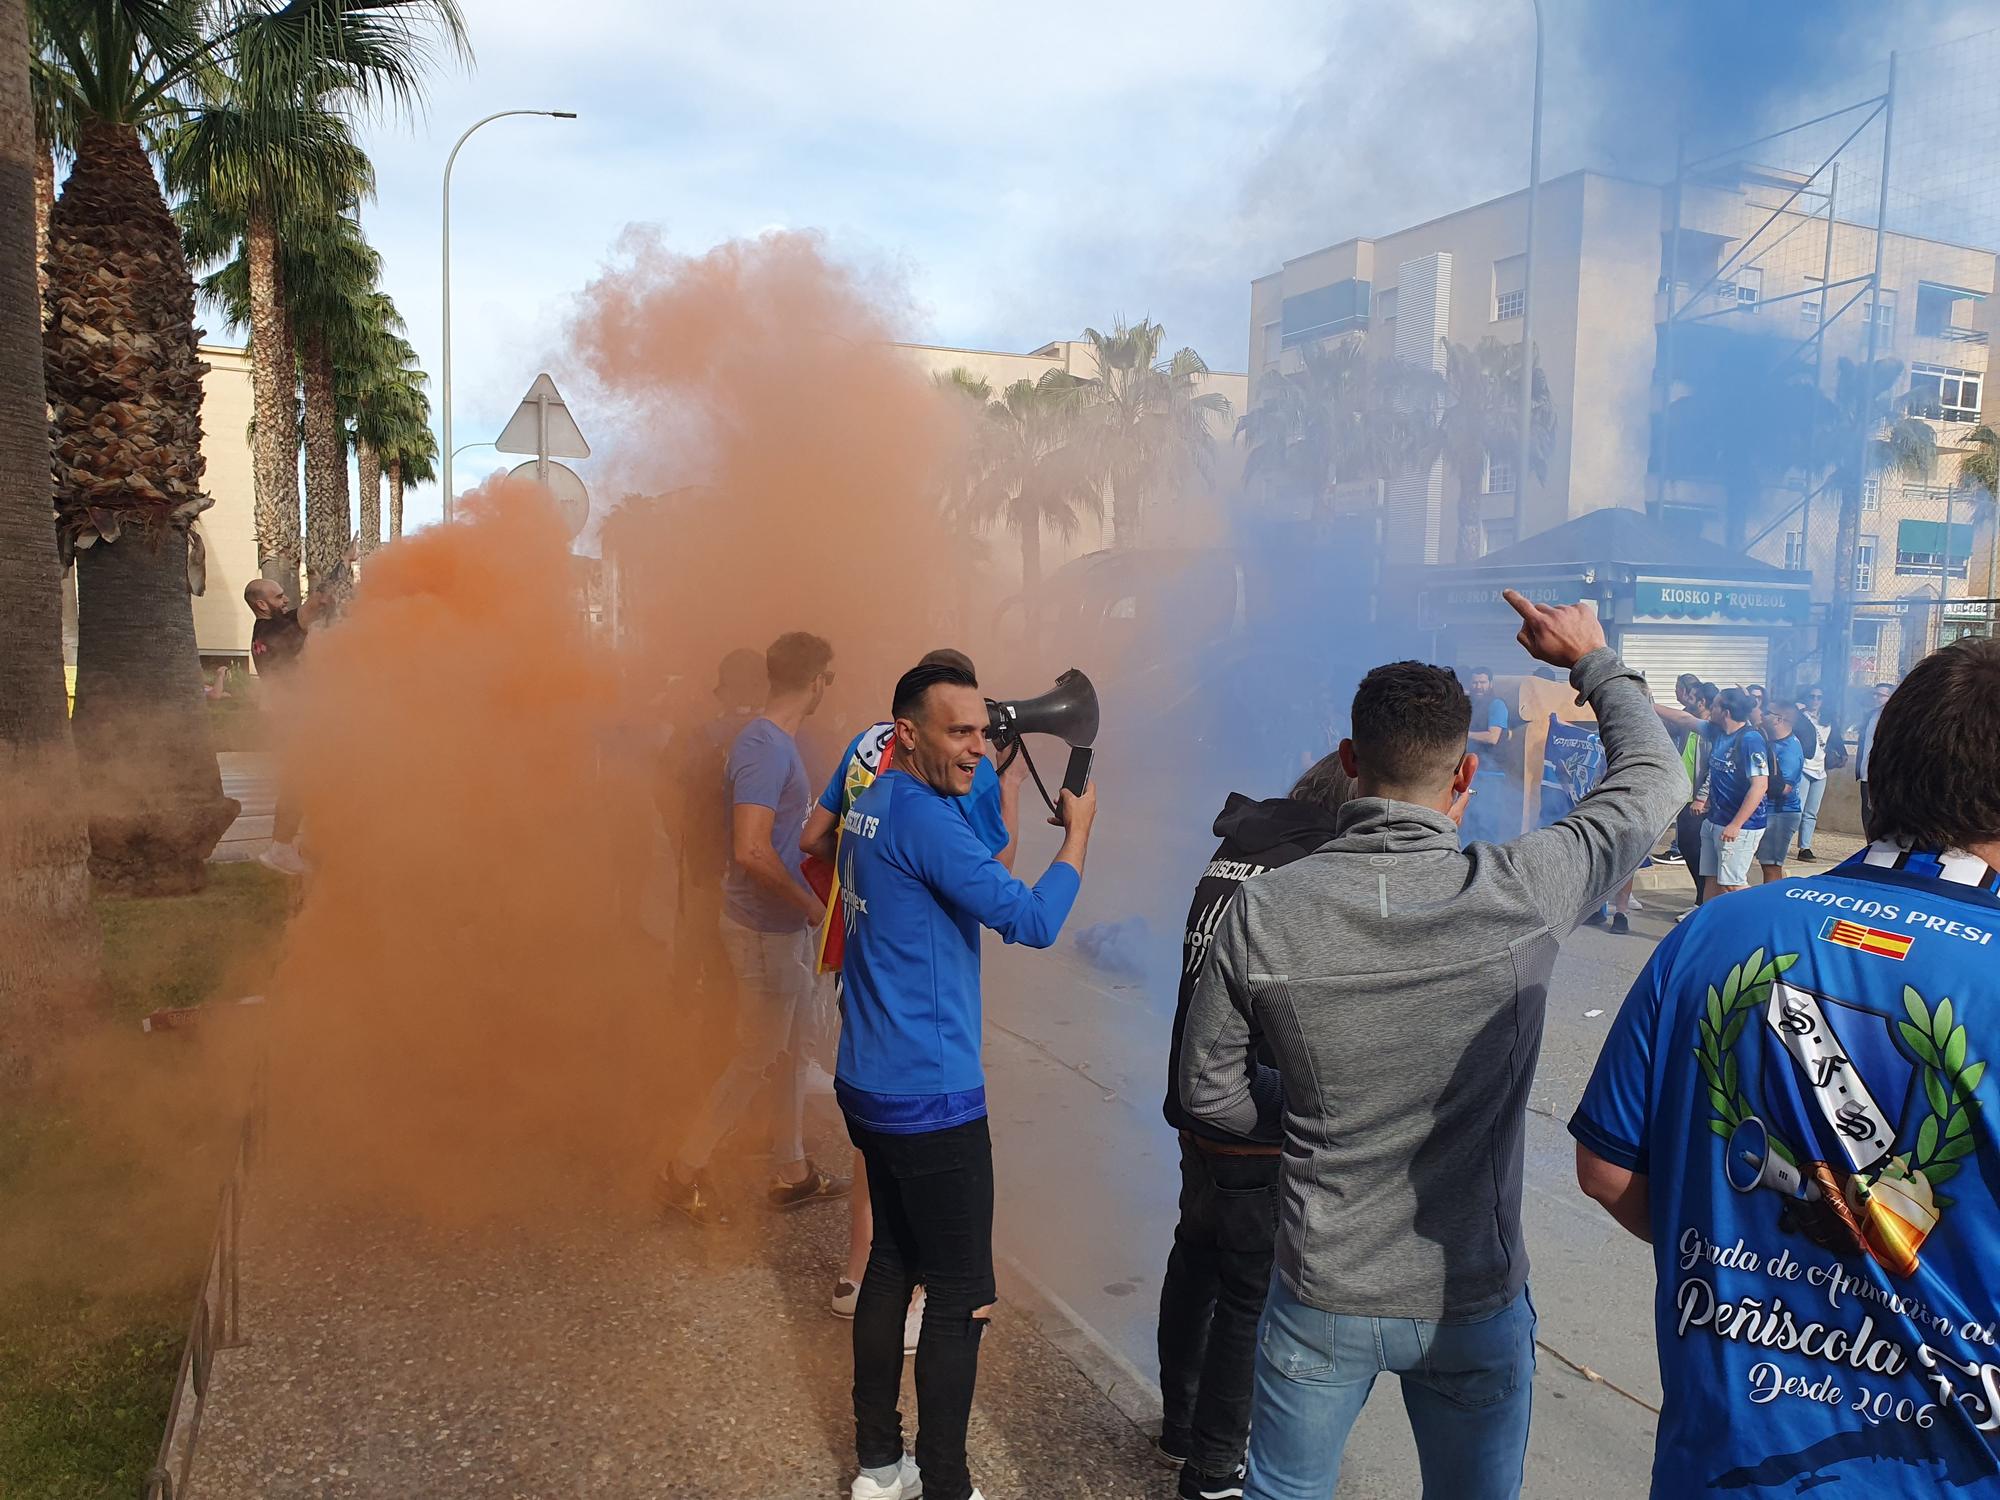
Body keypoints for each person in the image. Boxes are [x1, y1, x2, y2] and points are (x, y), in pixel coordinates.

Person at [1179, 590, 1684, 1500]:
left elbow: (1208, 1094)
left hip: (1320, 1289)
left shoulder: (1262, 911)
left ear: (1347, 762)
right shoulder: (1523, 889)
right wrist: (1592, 659)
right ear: (1462, 782)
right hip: (1471, 1297)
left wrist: (1315, 1118)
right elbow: (1655, 779)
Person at [1569, 638, 2000, 1496]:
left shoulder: (1714, 929)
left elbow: (1607, 1169)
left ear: (1878, 775)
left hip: (1719, 1468)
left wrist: (1755, 1263)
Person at [838, 659, 1097, 1500]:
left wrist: (986, 772)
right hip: (931, 1096)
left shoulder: (872, 803)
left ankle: (881, 1466)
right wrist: (1079, 835)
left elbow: (976, 847)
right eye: (960, 732)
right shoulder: (926, 823)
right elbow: (1030, 918)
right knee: (961, 1299)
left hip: (869, 1080)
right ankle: (946, 1485)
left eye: (983, 732)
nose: (979, 747)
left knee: (889, 1267)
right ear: (907, 733)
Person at [799, 648, 1025, 1342]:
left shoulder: (868, 745)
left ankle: (856, 1271)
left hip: (857, 950)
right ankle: (923, 1298)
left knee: (878, 1141)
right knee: (924, 1155)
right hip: (924, 1008)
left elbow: (810, 836)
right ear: (932, 723)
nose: (974, 744)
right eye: (966, 729)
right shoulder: (970, 773)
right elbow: (995, 881)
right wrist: (1009, 793)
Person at [1156, 753, 1356, 1500]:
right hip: (1253, 1109)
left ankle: (1179, 1421)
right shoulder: (1307, 872)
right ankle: (1214, 1467)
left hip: (1196, 1099)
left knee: (1195, 1259)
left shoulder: (1237, 850)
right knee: (1247, 1295)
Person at [659, 631, 849, 1227]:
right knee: (756, 1056)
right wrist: (812, 907)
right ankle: (681, 1169)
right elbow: (750, 850)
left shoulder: (773, 743)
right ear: (815, 681)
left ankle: (792, 1172)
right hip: (766, 930)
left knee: (789, 1052)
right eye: (830, 680)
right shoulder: (767, 748)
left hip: (777, 927)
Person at [243, 568, 342, 876]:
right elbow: (317, 602)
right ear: (262, 605)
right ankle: (282, 848)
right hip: (291, 718)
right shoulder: (276, 630)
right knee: (300, 781)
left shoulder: (263, 634)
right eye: (278, 596)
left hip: (286, 715)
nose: (285, 599)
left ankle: (302, 845)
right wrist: (343, 562)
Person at [1692, 688, 1769, 901]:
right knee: (1712, 880)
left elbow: (1760, 786)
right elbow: (1682, 719)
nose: (1710, 708)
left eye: (1715, 705)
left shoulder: (1750, 740)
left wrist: (1736, 824)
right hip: (1715, 821)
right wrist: (1647, 704)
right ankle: (1710, 928)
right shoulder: (1716, 731)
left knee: (1732, 884)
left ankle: (1760, 922)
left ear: (1725, 712)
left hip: (1741, 827)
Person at [1754, 701, 1805, 886]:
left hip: (1781, 814)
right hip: (1768, 811)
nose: (1761, 715)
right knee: (1766, 864)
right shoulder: (1771, 741)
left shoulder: (1790, 749)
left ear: (1778, 719)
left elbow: (1784, 789)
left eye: (1766, 712)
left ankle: (1771, 906)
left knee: (1771, 866)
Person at [1464, 666, 1510, 843]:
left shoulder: (1496, 704)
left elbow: (1493, 737)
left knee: (1487, 822)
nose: (1478, 686)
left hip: (1492, 775)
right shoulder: (1470, 705)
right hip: (1471, 773)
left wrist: (1464, 733)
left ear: (1490, 684)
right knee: (1470, 820)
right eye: (1475, 682)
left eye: (1482, 682)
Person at [1795, 685, 1833, 860]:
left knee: (1811, 812)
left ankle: (1805, 847)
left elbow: (1835, 739)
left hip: (1820, 769)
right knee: (1797, 810)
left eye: (1819, 697)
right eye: (1812, 696)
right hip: (1803, 767)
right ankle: (1781, 842)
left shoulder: (1828, 719)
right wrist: (1797, 709)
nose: (1815, 700)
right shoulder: (1800, 717)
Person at [1855, 679, 1895, 834]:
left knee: (1881, 812)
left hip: (1882, 774)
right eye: (1874, 694)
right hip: (1865, 772)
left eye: (1880, 695)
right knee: (1866, 811)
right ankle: (1869, 844)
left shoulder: (1893, 718)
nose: (1876, 698)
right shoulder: (1870, 716)